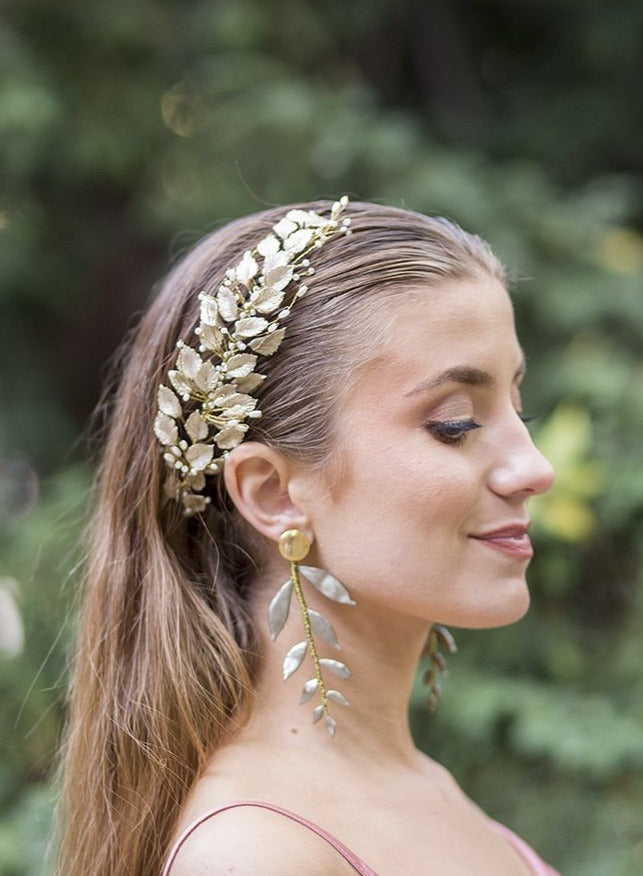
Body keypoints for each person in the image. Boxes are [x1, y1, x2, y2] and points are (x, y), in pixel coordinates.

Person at [56, 198, 559, 875]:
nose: (535, 468)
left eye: (518, 410)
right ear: (273, 493)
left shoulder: (428, 790)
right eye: (457, 422)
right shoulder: (255, 855)